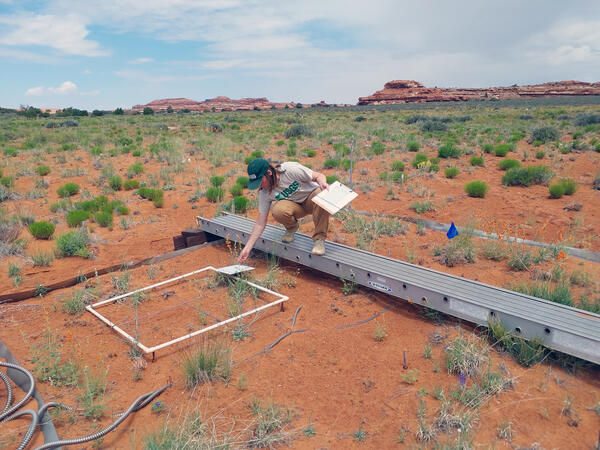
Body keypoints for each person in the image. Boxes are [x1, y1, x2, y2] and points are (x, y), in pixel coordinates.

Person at [237, 158, 330, 263]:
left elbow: (318, 176)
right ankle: (292, 228)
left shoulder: (290, 170)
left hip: (312, 200)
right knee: (278, 210)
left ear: (269, 173)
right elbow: (260, 223)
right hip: (296, 208)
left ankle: (319, 240)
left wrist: (322, 183)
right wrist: (247, 248)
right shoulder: (264, 193)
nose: (259, 185)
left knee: (321, 195)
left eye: (260, 181)